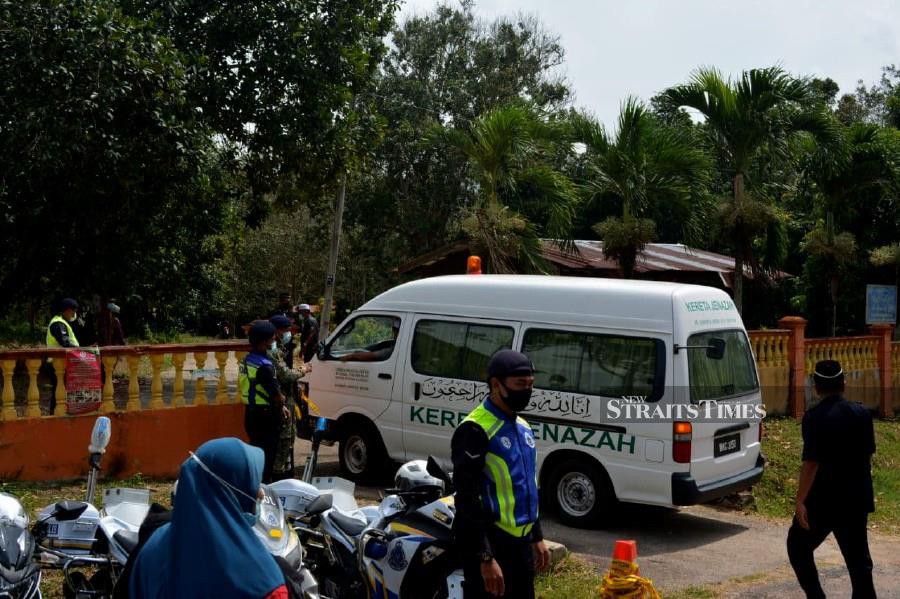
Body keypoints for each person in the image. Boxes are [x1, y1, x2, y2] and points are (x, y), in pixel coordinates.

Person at [129, 437, 302, 598]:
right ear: (232, 490)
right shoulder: (263, 577)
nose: (261, 493)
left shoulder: (151, 547)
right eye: (252, 483)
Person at [451, 349, 550, 599]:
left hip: (521, 544)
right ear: (496, 385)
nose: (526, 391)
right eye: (519, 384)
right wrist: (485, 557)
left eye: (530, 385)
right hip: (491, 546)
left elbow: (526, 487)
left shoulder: (523, 427)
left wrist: (536, 536)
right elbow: (466, 499)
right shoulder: (475, 429)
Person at [787, 359, 877, 599]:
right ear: (844, 384)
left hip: (823, 501)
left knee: (797, 547)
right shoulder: (862, 414)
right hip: (856, 499)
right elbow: (867, 454)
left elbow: (811, 463)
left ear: (816, 386)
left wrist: (800, 500)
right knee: (859, 563)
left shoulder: (813, 418)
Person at [240, 321, 289, 483]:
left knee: (256, 455)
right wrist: (283, 403)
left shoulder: (247, 360)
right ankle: (262, 491)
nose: (274, 339)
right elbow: (276, 396)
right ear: (264, 341)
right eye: (272, 337)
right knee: (266, 459)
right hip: (266, 417)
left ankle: (254, 486)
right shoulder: (264, 366)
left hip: (251, 413)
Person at [268, 315, 302, 481]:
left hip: (286, 398)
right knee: (284, 437)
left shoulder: (279, 348)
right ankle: (278, 474)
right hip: (279, 400)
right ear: (276, 331)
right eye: (286, 330)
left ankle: (284, 470)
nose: (289, 333)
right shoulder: (272, 352)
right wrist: (304, 370)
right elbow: (286, 375)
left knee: (289, 435)